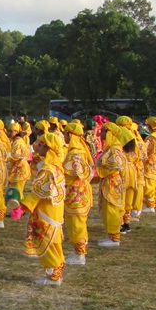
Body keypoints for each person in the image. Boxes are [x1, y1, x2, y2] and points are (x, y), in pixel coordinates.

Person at [21, 132, 67, 286]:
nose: (37, 147)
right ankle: (56, 272)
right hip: (55, 210)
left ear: (47, 147)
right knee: (54, 241)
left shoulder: (48, 169)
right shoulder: (55, 166)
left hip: (46, 211)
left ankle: (53, 276)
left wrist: (25, 204)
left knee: (47, 241)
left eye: (40, 144)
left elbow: (38, 191)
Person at [94, 122, 132, 248]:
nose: (100, 133)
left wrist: (99, 170)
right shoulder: (111, 148)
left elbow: (116, 165)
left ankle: (115, 237)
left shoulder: (114, 149)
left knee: (111, 209)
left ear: (109, 133)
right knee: (108, 209)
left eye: (103, 131)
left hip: (112, 182)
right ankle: (111, 235)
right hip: (109, 181)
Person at [62, 120, 93, 265]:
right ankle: (78, 252)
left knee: (76, 223)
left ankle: (80, 255)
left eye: (65, 133)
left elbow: (73, 172)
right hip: (79, 190)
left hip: (76, 191)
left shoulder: (75, 153)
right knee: (77, 222)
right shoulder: (80, 150)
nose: (64, 136)